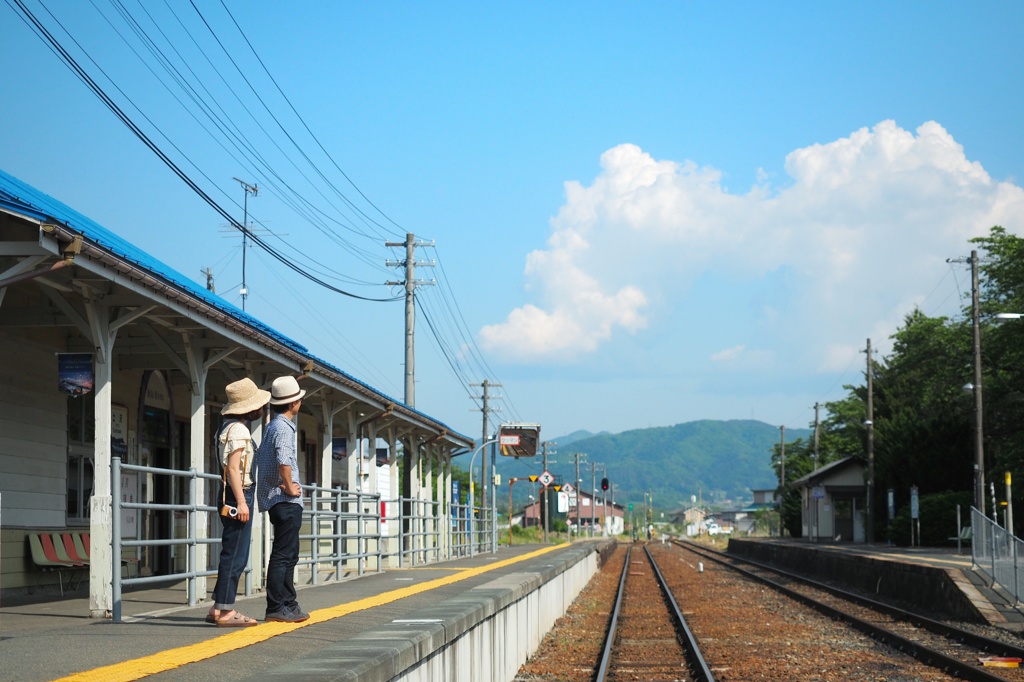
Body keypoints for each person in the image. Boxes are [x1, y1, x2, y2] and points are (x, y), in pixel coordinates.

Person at [206, 377, 270, 627]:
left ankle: (218, 607)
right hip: (238, 494)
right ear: (248, 407)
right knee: (236, 555)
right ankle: (225, 611)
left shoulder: (225, 427)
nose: (262, 409)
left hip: (230, 494)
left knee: (231, 551)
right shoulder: (240, 430)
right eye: (258, 405)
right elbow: (233, 469)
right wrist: (242, 503)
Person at [255, 375, 309, 623]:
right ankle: (277, 606)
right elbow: (284, 462)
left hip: (278, 500)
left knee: (289, 554)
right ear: (294, 403)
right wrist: (289, 488)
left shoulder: (272, 426)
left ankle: (288, 602)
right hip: (284, 500)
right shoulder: (283, 428)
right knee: (283, 554)